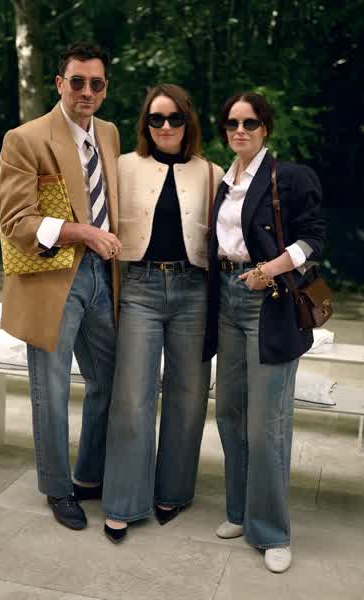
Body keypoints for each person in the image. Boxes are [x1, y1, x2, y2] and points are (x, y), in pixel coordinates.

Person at [0, 42, 122, 531]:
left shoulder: (109, 133)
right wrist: (81, 232)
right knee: (50, 388)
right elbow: (16, 221)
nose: (87, 91)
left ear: (105, 89)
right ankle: (57, 488)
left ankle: (89, 475)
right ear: (59, 83)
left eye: (96, 83)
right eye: (77, 81)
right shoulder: (25, 139)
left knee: (108, 380)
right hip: (53, 279)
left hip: (103, 277)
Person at [203, 92, 325, 572]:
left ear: (265, 128)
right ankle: (240, 511)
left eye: (250, 122)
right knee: (230, 412)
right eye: (232, 123)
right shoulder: (223, 180)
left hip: (269, 303)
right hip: (227, 299)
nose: (240, 130)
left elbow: (313, 239)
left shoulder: (289, 176)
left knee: (266, 423)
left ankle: (273, 532)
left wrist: (269, 269)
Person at [101, 84, 224, 543]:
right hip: (140, 287)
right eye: (156, 118)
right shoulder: (123, 166)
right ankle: (123, 500)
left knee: (188, 394)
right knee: (132, 395)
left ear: (188, 122)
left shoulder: (211, 172)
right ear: (145, 124)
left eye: (175, 118)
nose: (166, 126)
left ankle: (173, 490)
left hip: (194, 291)